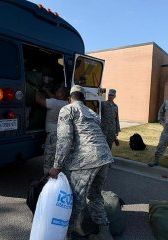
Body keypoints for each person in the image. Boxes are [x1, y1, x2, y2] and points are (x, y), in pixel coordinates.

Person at [49, 85, 114, 240]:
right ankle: (105, 233)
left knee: (74, 199)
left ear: (69, 98)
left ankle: (66, 235)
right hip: (105, 156)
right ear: (84, 98)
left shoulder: (67, 109)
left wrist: (57, 165)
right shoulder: (92, 112)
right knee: (95, 195)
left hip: (87, 159)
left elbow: (64, 139)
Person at [35, 86, 69, 173]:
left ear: (61, 94)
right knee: (59, 160)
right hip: (64, 135)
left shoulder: (54, 103)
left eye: (58, 91)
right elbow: (54, 97)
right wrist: (46, 90)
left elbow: (39, 100)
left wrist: (37, 91)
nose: (56, 92)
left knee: (49, 161)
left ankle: (48, 182)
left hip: (53, 136)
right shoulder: (67, 104)